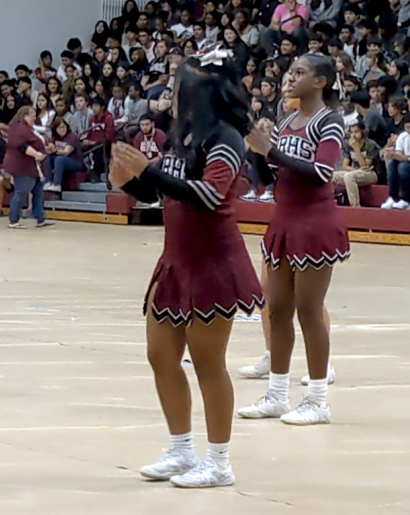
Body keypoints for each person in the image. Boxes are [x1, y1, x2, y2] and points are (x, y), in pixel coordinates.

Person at [111, 46, 263, 488]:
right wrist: (132, 181)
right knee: (160, 356)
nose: (173, 94)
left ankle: (219, 462)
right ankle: (180, 449)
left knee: (207, 362)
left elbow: (210, 195)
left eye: (180, 87)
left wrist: (149, 174)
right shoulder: (183, 134)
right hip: (175, 260)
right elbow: (163, 191)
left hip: (214, 262)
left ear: (202, 93)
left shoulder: (227, 139)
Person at [240, 53, 348, 426]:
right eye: (289, 72)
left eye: (299, 73)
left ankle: (317, 400)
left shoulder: (329, 121)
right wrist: (257, 150)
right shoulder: (286, 121)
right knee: (277, 309)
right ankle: (277, 394)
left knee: (308, 310)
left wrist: (271, 149)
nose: (290, 78)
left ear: (321, 81)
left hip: (314, 223)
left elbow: (321, 173)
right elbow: (268, 177)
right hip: (283, 220)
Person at [4, 106, 55, 228]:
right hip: (23, 166)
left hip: (34, 167)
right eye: (32, 115)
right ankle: (13, 220)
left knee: (38, 192)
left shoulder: (29, 129)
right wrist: (37, 154)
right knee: (21, 193)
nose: (34, 117)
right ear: (24, 116)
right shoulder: (19, 129)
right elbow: (21, 146)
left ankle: (40, 218)